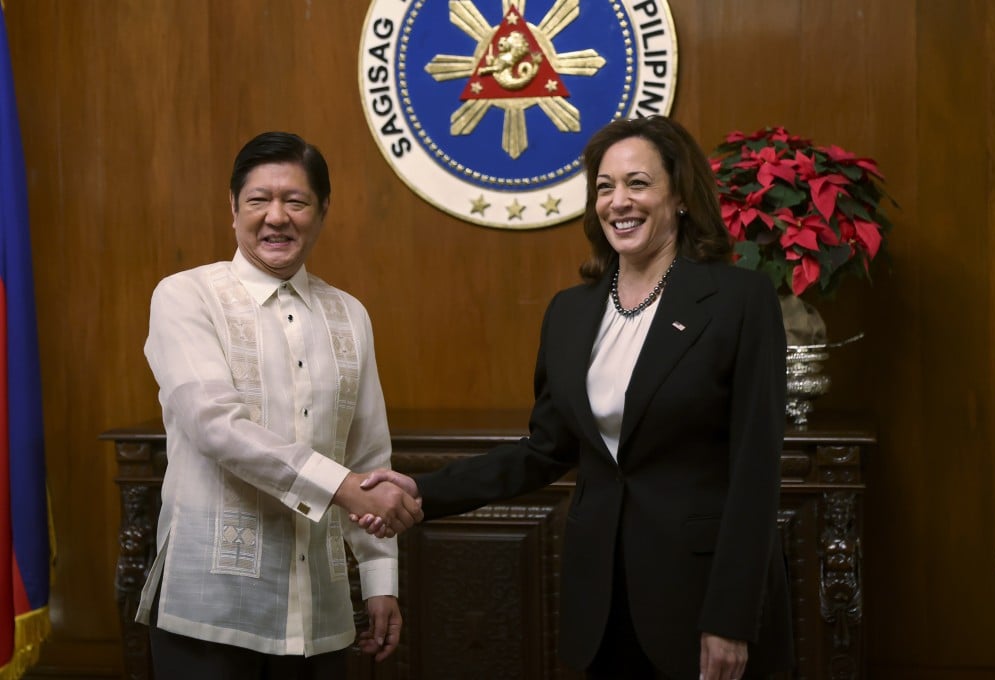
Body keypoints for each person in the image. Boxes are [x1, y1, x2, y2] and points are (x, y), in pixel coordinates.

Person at [356, 116, 794, 679]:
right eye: (605, 187)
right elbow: (544, 450)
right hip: (601, 600)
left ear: (681, 196)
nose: (619, 201)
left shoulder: (739, 300)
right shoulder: (570, 312)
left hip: (702, 596)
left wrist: (731, 617)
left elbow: (756, 470)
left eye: (638, 183)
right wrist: (423, 490)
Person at [136, 131, 423, 679]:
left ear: (322, 210)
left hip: (321, 611)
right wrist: (340, 486)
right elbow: (215, 426)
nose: (276, 217)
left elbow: (367, 454)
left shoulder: (349, 314)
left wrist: (379, 579)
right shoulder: (185, 295)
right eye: (258, 200)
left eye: (295, 201)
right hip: (211, 609)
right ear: (233, 208)